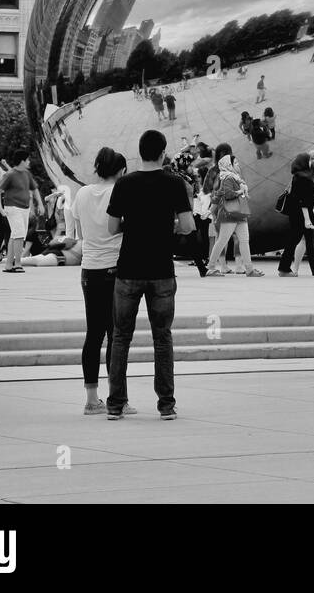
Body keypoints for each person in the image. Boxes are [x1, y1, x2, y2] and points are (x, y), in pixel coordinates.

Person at [105, 130, 193, 420]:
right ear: (163, 152)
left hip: (128, 269)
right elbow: (188, 225)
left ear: (140, 152)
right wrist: (169, 228)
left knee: (120, 338)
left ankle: (115, 404)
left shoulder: (124, 184)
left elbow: (111, 227)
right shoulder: (175, 183)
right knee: (162, 338)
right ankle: (166, 404)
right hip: (161, 271)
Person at [73, 147, 127, 414]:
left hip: (89, 268)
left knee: (93, 334)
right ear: (120, 170)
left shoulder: (82, 193)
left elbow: (80, 230)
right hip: (114, 267)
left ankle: (91, 399)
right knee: (116, 334)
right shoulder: (119, 192)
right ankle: (118, 398)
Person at [205, 147, 262, 276]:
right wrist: (241, 192)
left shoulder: (236, 178)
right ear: (228, 165)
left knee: (243, 241)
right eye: (235, 163)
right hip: (229, 214)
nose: (238, 165)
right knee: (222, 241)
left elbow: (219, 194)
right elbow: (228, 194)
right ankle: (211, 267)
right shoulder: (228, 178)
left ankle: (249, 269)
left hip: (238, 214)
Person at [278, 152, 314, 277]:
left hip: (297, 215)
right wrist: (307, 220)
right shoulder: (303, 178)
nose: (311, 162)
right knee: (309, 243)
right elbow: (303, 202)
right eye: (309, 160)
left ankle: (284, 268)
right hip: (303, 215)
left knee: (295, 242)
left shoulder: (298, 177)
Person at [0, 149, 44, 274]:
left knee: (15, 235)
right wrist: (1, 209)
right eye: (27, 159)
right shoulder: (10, 174)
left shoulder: (27, 174)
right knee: (19, 235)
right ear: (22, 161)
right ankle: (17, 263)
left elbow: (35, 189)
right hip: (12, 207)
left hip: (24, 208)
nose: (29, 162)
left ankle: (8, 264)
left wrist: (40, 204)